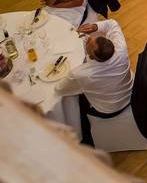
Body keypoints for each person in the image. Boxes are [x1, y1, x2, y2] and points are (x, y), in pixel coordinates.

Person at [56, 18, 133, 146]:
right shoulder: (121, 48)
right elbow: (112, 24)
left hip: (107, 110)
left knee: (74, 100)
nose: (87, 39)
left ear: (91, 56)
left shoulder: (82, 74)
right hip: (130, 92)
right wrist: (95, 27)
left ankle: (85, 140)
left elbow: (60, 89)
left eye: (89, 44)